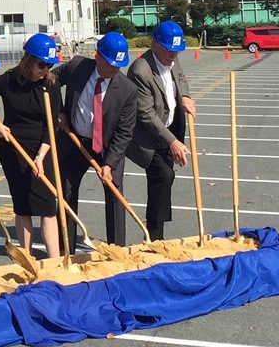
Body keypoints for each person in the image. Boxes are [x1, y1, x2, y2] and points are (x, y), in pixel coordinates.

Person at [0, 32, 63, 259]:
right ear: (29, 60)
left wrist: (40, 156)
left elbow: (52, 126)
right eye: (41, 64)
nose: (45, 69)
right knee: (22, 204)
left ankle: (54, 259)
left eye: (49, 65)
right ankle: (26, 256)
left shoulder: (50, 86)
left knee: (47, 205)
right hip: (13, 148)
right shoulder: (9, 80)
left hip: (42, 149)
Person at [61, 31, 139, 249]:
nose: (115, 69)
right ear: (98, 56)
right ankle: (65, 246)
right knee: (66, 189)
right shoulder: (77, 67)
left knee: (115, 193)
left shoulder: (127, 90)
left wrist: (109, 163)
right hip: (75, 140)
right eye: (111, 64)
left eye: (119, 65)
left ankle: (117, 248)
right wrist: (59, 111)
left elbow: (124, 131)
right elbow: (50, 83)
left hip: (108, 147)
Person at [127, 20, 195, 241]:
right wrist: (172, 142)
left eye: (176, 51)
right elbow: (146, 114)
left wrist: (185, 96)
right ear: (155, 45)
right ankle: (154, 237)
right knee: (163, 176)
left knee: (165, 180)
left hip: (170, 129)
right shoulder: (141, 71)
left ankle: (156, 230)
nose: (173, 56)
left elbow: (181, 79)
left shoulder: (172, 60)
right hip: (148, 137)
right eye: (168, 50)